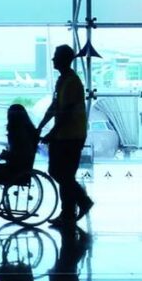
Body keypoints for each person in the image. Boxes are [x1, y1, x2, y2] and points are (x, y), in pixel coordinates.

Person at [36, 44, 94, 226]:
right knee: (63, 174)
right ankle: (69, 211)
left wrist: (50, 132)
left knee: (61, 173)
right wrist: (42, 126)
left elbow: (65, 113)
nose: (53, 59)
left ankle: (79, 203)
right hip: (66, 135)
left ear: (63, 59)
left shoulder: (71, 82)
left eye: (55, 56)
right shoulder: (64, 81)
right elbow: (55, 107)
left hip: (70, 136)